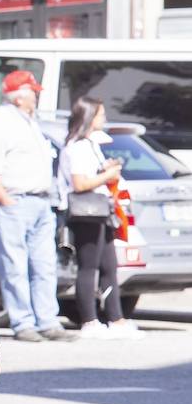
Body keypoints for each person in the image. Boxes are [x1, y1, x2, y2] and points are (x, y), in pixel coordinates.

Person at [0, 70, 76, 343]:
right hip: (12, 202)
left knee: (44, 265)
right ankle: (23, 322)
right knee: (14, 266)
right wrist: (6, 201)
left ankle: (47, 320)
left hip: (40, 202)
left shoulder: (28, 121)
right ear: (18, 97)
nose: (37, 96)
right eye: (32, 91)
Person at [60, 97, 143, 340]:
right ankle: (89, 320)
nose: (104, 119)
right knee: (89, 267)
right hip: (85, 212)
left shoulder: (90, 144)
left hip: (101, 209)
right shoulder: (76, 146)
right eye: (100, 115)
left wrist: (106, 169)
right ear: (88, 117)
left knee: (109, 266)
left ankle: (116, 318)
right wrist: (106, 175)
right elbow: (80, 183)